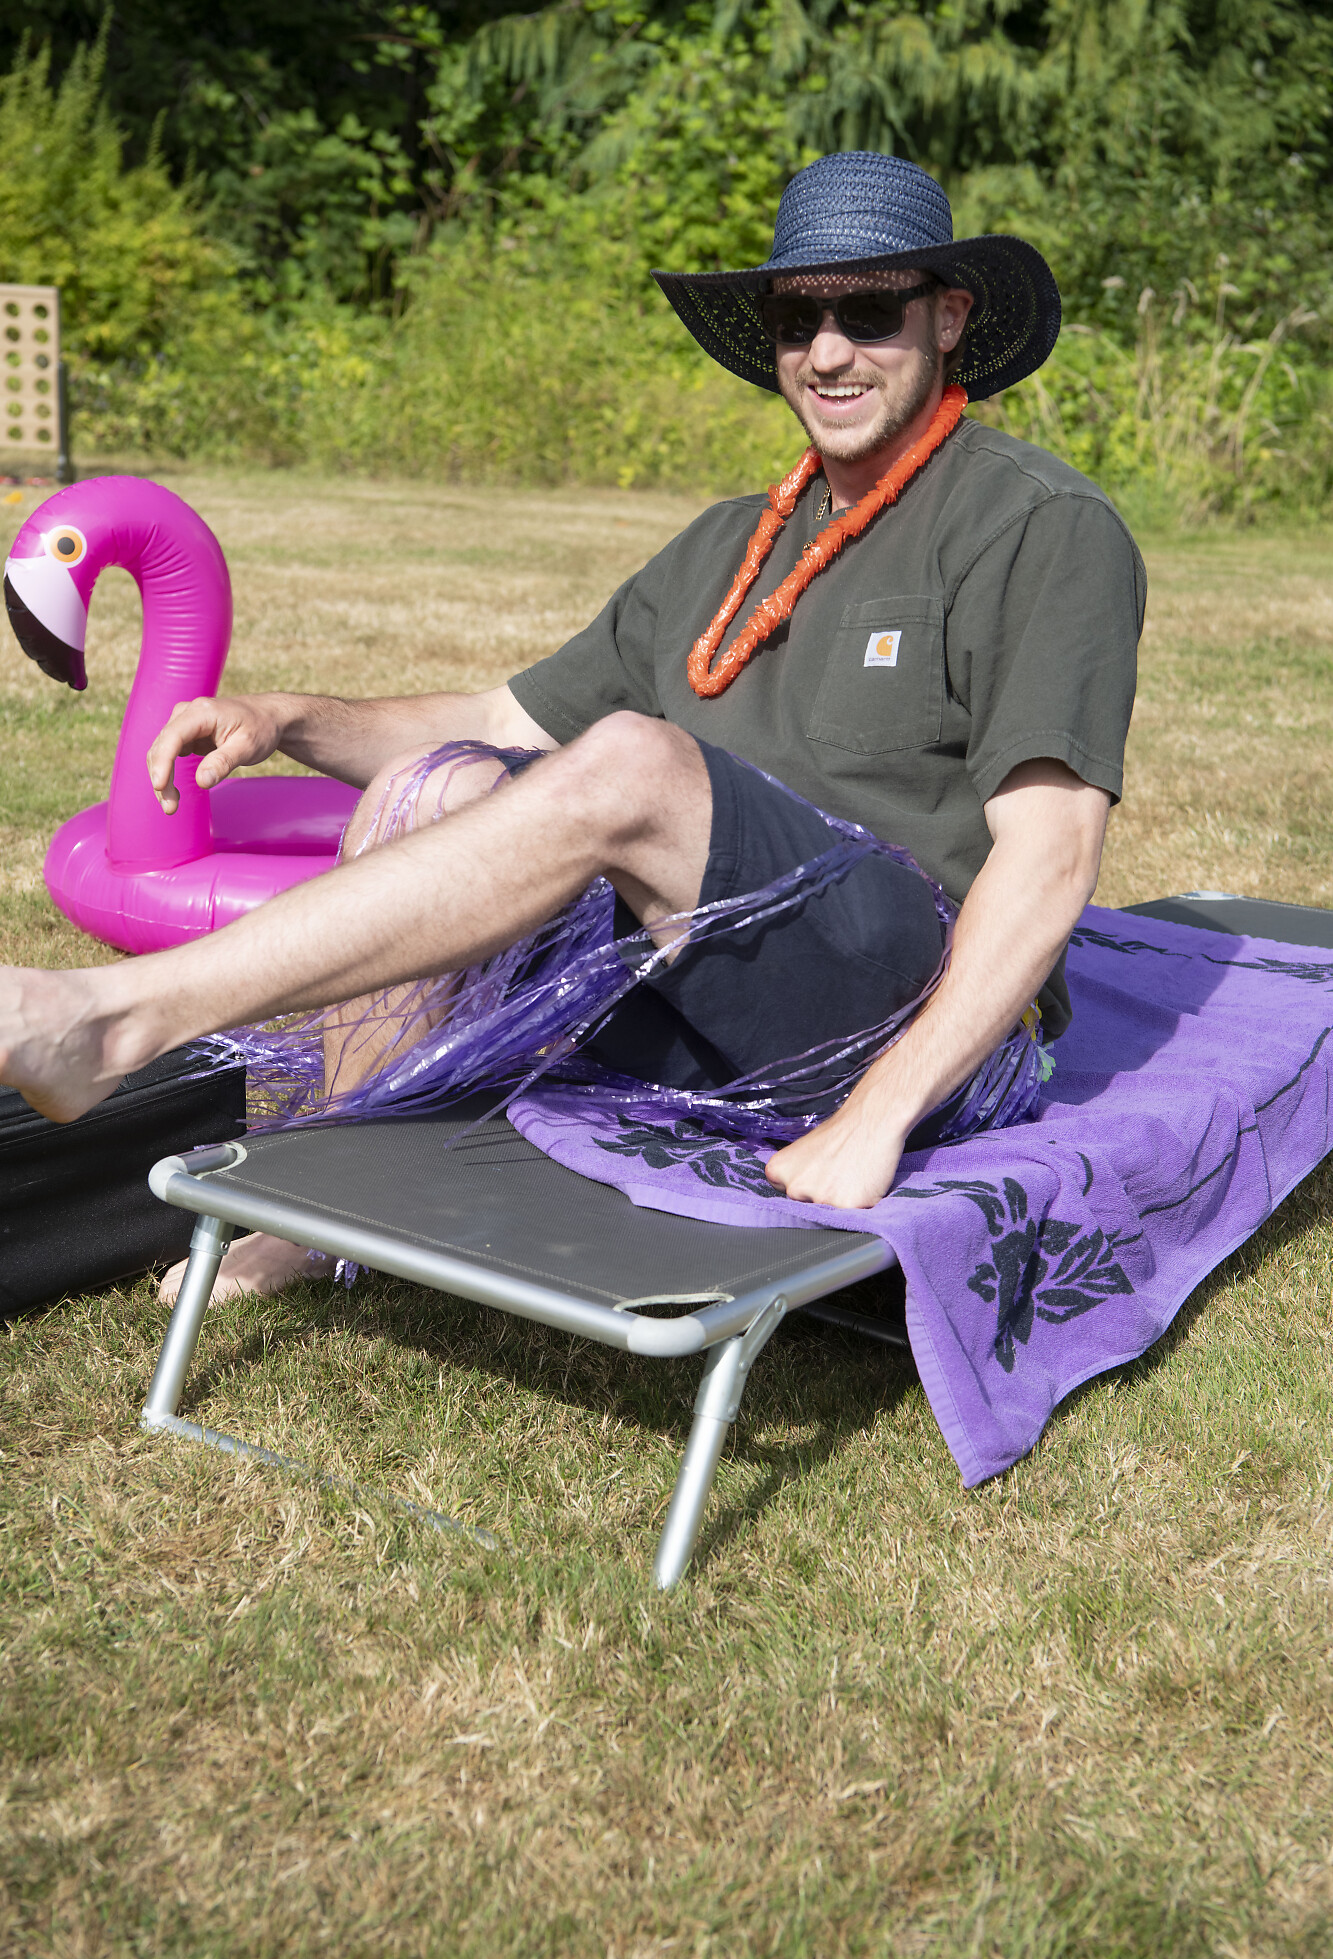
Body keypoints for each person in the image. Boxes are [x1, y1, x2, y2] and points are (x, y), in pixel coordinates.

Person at [0, 151, 1144, 1303]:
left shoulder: (1036, 524)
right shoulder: (727, 542)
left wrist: (882, 1110)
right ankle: (325, 1191)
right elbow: (505, 719)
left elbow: (1051, 852)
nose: (828, 350)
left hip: (912, 1016)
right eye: (797, 318)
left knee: (636, 763)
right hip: (706, 978)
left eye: (868, 311)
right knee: (432, 786)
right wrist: (288, 715)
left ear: (948, 318)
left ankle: (114, 1021)